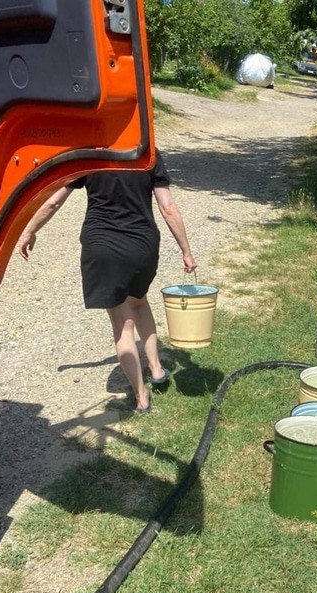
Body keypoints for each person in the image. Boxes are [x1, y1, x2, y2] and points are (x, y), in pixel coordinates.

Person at [16, 148, 197, 414]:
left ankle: (141, 397)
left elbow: (54, 201)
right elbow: (167, 207)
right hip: (142, 245)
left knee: (123, 324)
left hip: (103, 247)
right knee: (139, 302)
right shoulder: (147, 153)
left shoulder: (89, 155)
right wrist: (186, 250)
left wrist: (30, 231)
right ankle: (157, 370)